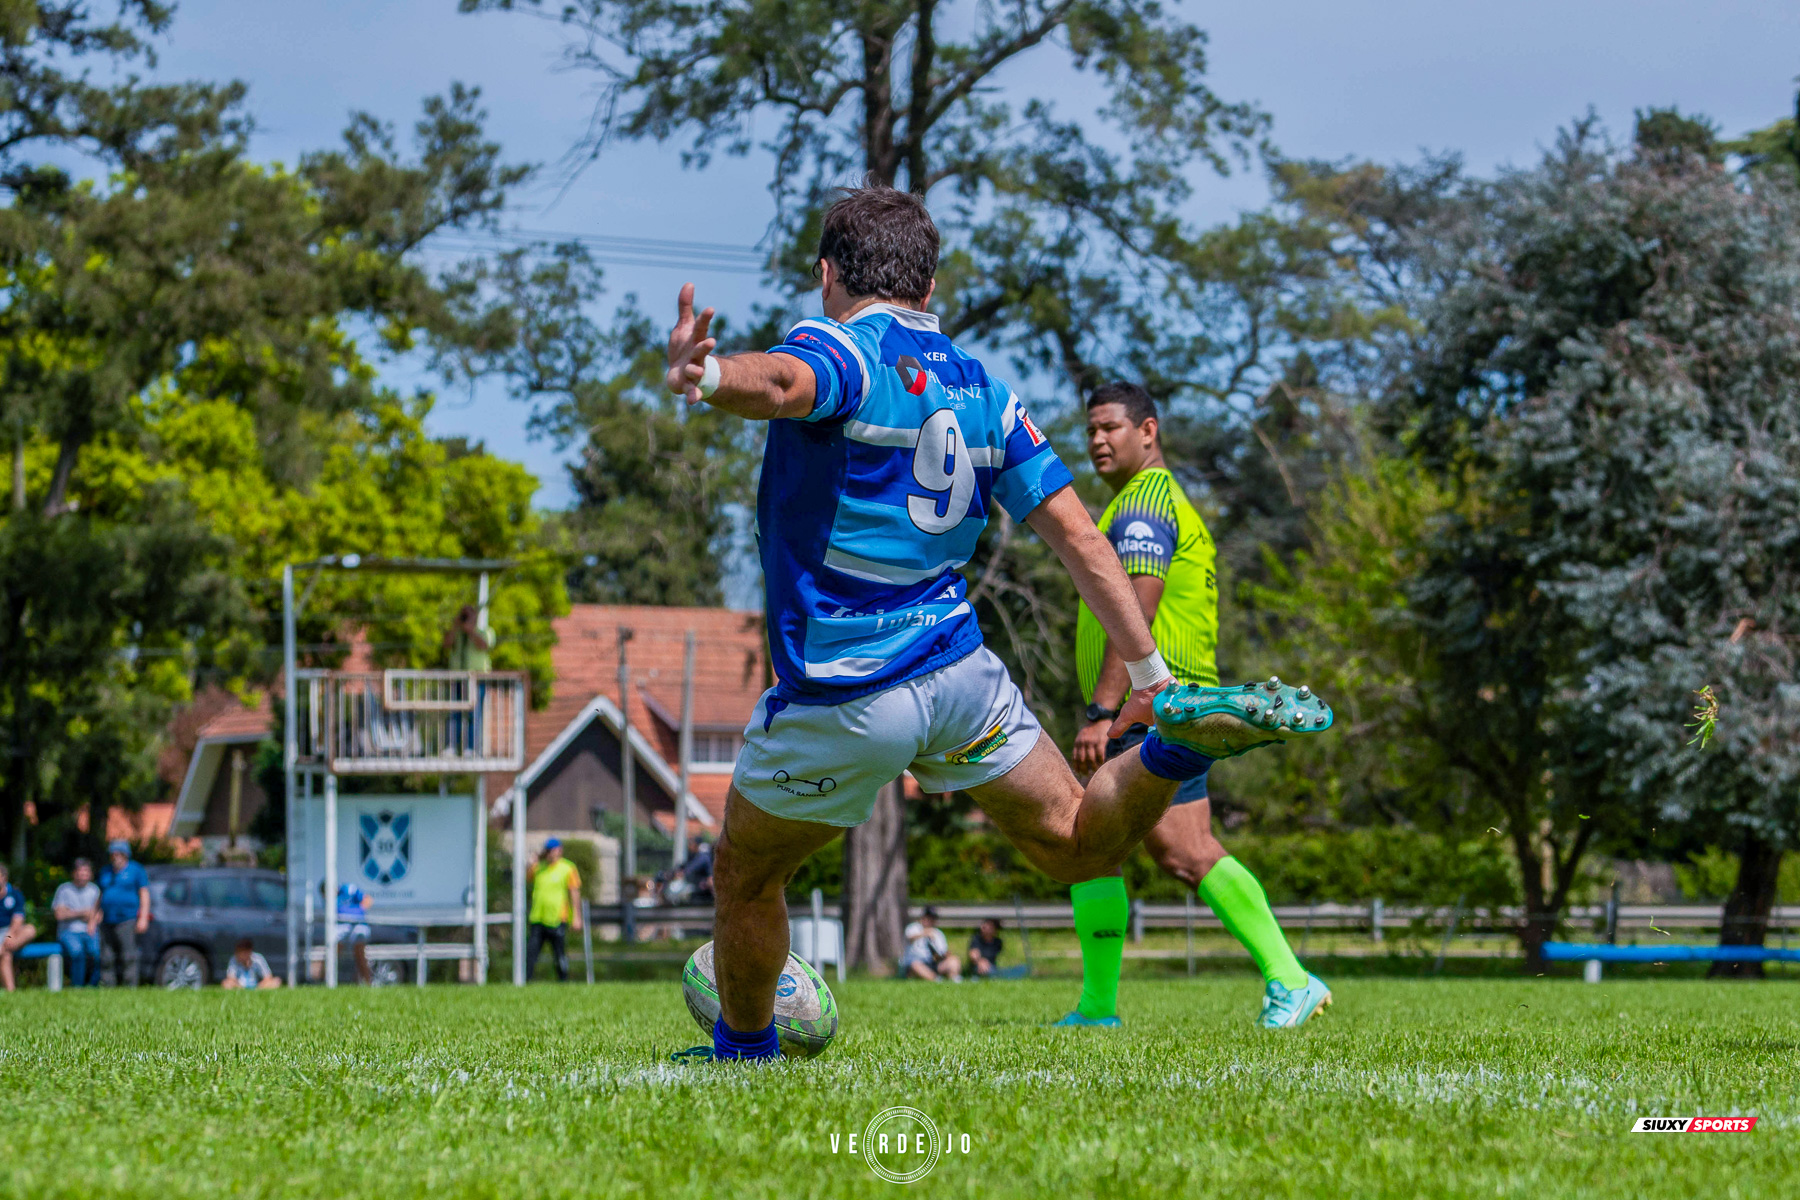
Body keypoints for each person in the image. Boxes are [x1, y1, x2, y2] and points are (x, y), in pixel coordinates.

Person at [661, 185, 1332, 1063]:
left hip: (850, 687)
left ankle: (743, 1056)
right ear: (930, 285)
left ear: (827, 275)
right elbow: (1082, 541)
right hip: (961, 678)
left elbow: (786, 381)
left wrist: (708, 375)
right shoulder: (986, 390)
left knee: (748, 874)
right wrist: (1154, 683)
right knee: (1075, 845)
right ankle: (1177, 747)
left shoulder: (842, 348)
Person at [1060, 382, 1329, 1030]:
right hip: (1176, 705)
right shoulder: (1158, 500)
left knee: (1098, 846)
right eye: (1091, 430)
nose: (1097, 440)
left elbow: (1138, 599)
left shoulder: (1143, 506)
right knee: (1183, 850)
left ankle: (1104, 1008)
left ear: (1148, 431)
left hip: (1149, 709)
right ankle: (1289, 979)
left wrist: (1104, 709)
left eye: (1111, 428)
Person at [524, 838, 583, 982]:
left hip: (557, 918)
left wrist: (576, 916)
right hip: (538, 918)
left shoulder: (568, 868)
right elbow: (527, 878)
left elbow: (574, 892)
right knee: (531, 954)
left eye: (554, 850)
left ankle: (563, 981)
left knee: (559, 954)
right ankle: (526, 981)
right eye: (548, 851)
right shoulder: (539, 867)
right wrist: (530, 862)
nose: (551, 854)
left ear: (560, 850)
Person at [97, 840, 151, 987]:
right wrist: (96, 913)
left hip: (127, 919)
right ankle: (108, 985)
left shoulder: (136, 870)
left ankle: (130, 986)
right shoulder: (105, 871)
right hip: (107, 920)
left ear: (126, 855)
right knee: (106, 956)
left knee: (128, 955)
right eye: (113, 854)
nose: (115, 857)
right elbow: (101, 894)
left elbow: (144, 894)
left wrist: (143, 918)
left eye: (118, 853)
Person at [443, 604, 494, 755]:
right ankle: (451, 746)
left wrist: (471, 630)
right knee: (454, 713)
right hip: (458, 678)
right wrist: (455, 626)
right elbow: (446, 644)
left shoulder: (485, 631)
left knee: (474, 713)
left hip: (477, 679)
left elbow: (484, 645)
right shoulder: (456, 633)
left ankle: (471, 748)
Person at [52, 858, 102, 988]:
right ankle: (77, 987)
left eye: (86, 872)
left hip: (89, 930)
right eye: (80, 872)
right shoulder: (64, 890)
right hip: (68, 931)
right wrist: (83, 913)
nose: (83, 875)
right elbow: (59, 914)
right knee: (77, 952)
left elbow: (98, 915)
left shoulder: (94, 890)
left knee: (96, 953)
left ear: (90, 874)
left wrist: (90, 919)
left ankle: (92, 986)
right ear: (74, 873)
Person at [0, 864, 37, 993]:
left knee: (30, 929)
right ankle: (11, 991)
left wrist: (8, 937)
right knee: (6, 954)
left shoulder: (15, 894)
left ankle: (4, 947)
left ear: (4, 877)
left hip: (11, 933)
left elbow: (18, 920)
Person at [900, 907, 961, 982]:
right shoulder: (913, 927)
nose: (930, 920)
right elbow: (910, 938)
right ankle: (936, 980)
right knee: (915, 965)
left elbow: (941, 952)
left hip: (933, 963)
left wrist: (944, 955)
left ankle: (955, 979)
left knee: (954, 960)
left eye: (933, 919)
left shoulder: (938, 933)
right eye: (928, 917)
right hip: (916, 963)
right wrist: (924, 933)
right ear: (923, 917)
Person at [334, 881, 373, 985]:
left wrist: (357, 912)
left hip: (357, 925)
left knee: (360, 954)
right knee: (333, 952)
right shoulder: (330, 899)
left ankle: (367, 982)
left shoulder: (349, 889)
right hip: (341, 926)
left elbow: (368, 900)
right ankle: (328, 982)